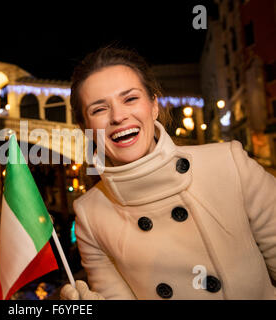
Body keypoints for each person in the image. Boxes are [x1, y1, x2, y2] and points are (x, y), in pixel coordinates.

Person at [60, 46, 276, 300]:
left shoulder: (230, 163)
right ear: (85, 127)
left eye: (130, 99)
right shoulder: (89, 215)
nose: (118, 116)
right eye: (99, 109)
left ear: (154, 105)